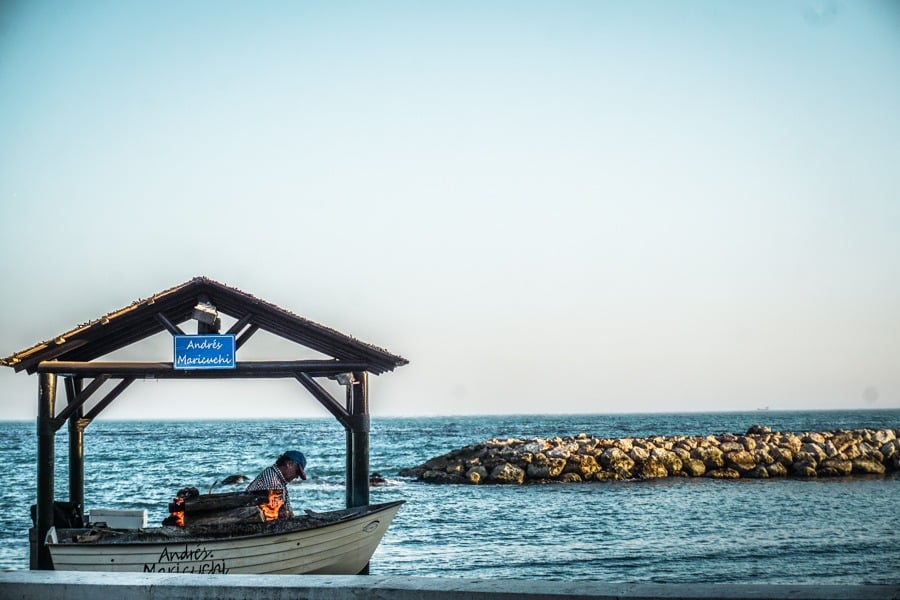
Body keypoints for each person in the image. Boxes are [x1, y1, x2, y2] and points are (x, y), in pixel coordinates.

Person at [245, 450, 307, 518]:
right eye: (297, 471)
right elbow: (276, 514)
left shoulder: (277, 478)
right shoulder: (273, 480)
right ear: (288, 464)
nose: (297, 476)